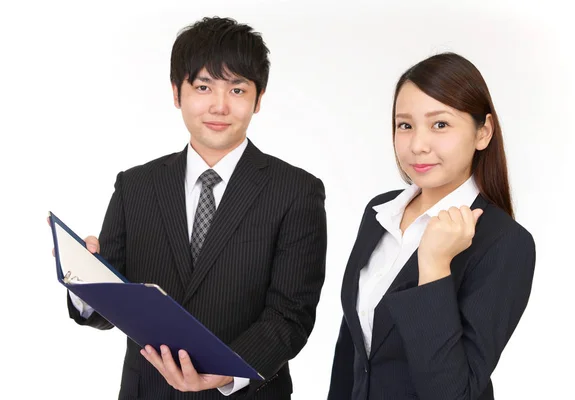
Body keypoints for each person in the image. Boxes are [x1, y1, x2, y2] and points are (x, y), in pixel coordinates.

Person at [58, 16, 327, 399]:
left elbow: (290, 316)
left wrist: (224, 372)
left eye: (237, 89)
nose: (219, 105)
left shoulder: (297, 191)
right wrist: (85, 282)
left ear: (259, 99)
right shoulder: (135, 186)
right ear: (176, 92)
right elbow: (111, 309)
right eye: (203, 86)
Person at [327, 52, 535, 400]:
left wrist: (436, 266)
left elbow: (453, 393)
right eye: (405, 125)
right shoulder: (380, 213)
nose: (417, 145)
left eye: (440, 124)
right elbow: (353, 349)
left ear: (483, 132)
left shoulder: (505, 244)